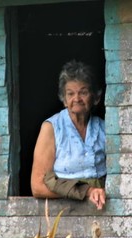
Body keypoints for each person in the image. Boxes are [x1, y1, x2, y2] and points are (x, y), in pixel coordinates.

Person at [31, 60, 106, 210]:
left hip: (102, 206)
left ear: (96, 97)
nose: (76, 99)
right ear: (64, 100)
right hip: (64, 211)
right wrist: (84, 192)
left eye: (83, 92)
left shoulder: (105, 127)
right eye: (70, 93)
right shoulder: (51, 128)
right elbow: (37, 187)